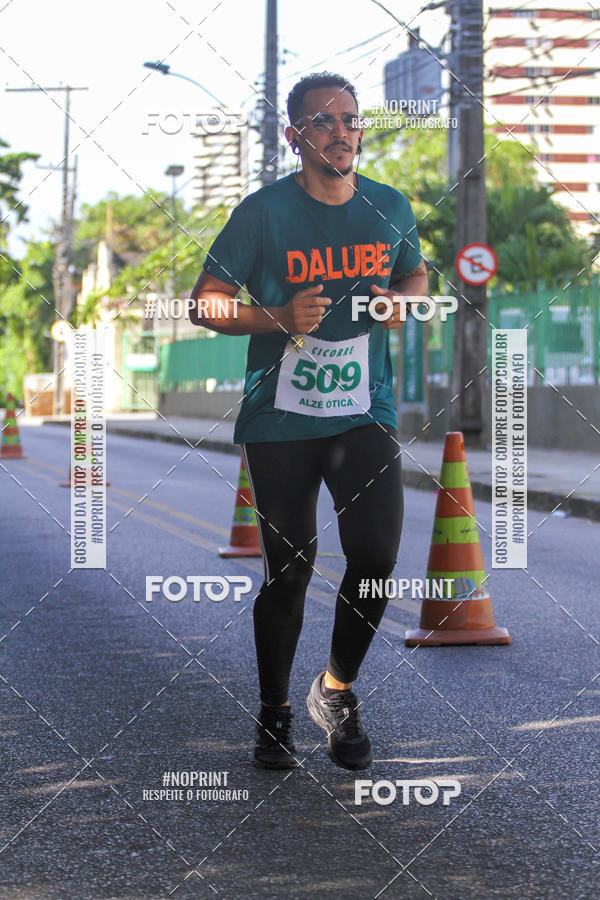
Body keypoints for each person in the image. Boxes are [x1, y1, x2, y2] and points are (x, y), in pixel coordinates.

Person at [191, 72, 428, 771]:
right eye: (323, 122)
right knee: (289, 568)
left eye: (351, 120)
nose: (341, 132)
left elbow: (416, 275)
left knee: (378, 557)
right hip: (280, 415)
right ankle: (274, 713)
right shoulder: (263, 213)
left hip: (362, 410)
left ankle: (336, 689)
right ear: (296, 136)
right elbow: (205, 302)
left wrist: (399, 302)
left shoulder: (390, 207)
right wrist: (276, 317)